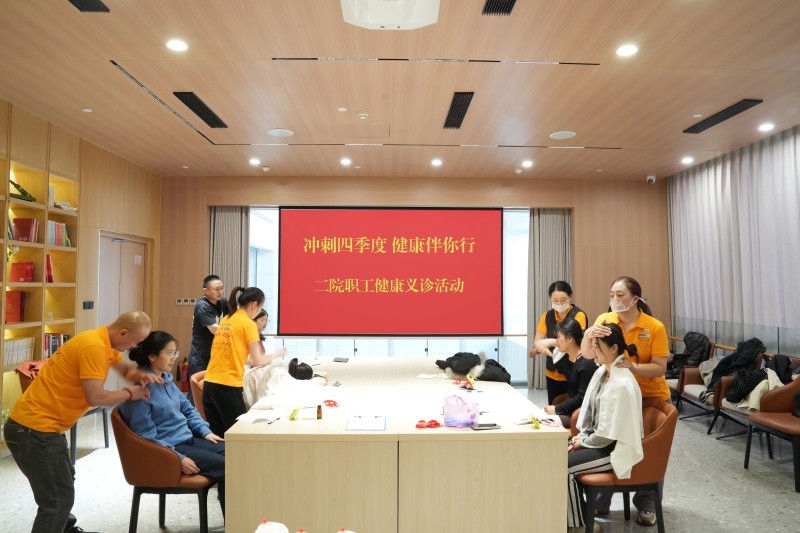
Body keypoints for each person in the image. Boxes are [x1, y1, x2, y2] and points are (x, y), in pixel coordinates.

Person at [3, 312, 159, 533]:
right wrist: (129, 393)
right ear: (123, 333)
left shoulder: (102, 341)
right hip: (33, 429)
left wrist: (142, 377)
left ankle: (65, 529)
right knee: (57, 499)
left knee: (64, 482)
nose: (134, 347)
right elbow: (95, 397)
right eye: (135, 342)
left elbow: (125, 370)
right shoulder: (94, 348)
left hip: (43, 427)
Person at [581, 276, 670, 527]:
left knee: (647, 452)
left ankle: (646, 504)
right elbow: (589, 354)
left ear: (635, 298)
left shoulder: (654, 326)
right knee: (612, 444)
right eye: (612, 294)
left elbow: (660, 367)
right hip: (615, 396)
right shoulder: (605, 319)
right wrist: (588, 334)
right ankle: (602, 501)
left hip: (650, 397)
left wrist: (633, 367)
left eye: (620, 295)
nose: (614, 299)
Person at [119, 331, 226, 516]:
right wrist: (177, 458)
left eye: (175, 352)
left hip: (187, 440)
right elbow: (145, 438)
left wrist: (204, 431)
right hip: (169, 449)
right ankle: (234, 524)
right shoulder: (139, 390)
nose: (174, 357)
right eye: (169, 353)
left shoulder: (165, 380)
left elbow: (188, 409)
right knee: (228, 466)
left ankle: (239, 519)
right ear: (152, 356)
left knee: (237, 454)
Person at [567, 323, 644, 533]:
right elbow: (592, 416)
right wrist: (582, 437)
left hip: (612, 448)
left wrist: (582, 441)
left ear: (614, 348)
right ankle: (576, 517)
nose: (592, 351)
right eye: (592, 345)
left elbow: (608, 435)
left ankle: (581, 525)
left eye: (597, 346)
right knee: (554, 454)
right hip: (598, 441)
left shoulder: (621, 383)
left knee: (562, 467)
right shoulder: (604, 372)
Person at [203, 286, 283, 436]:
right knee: (239, 435)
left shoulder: (226, 319)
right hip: (227, 386)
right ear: (254, 304)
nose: (260, 311)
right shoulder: (248, 324)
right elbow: (258, 359)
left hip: (209, 385)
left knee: (219, 438)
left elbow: (234, 354)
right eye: (261, 307)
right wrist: (277, 354)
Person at [529, 281, 588, 403]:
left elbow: (572, 341)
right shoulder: (547, 316)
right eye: (555, 300)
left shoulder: (578, 315)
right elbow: (538, 341)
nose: (559, 304)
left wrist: (549, 342)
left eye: (563, 300)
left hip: (572, 370)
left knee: (572, 405)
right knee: (553, 405)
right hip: (552, 372)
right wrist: (547, 352)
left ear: (570, 297)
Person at [543, 318, 596, 428]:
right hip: (570, 409)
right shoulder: (568, 358)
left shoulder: (586, 363)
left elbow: (582, 398)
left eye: (559, 337)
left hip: (580, 414)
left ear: (570, 339)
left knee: (543, 422)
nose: (556, 341)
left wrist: (557, 409)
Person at [187, 275, 229, 404]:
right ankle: (190, 416)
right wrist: (234, 331)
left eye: (221, 288)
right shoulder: (202, 305)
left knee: (212, 389)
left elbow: (234, 317)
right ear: (205, 291)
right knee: (196, 391)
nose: (220, 292)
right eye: (216, 289)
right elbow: (214, 329)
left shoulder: (222, 302)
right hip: (200, 355)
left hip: (215, 353)